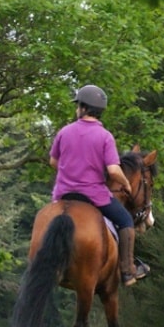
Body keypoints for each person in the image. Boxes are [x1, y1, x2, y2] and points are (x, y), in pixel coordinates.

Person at [49, 84, 149, 286]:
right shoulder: (105, 136)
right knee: (125, 220)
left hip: (63, 194)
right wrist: (126, 185)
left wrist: (69, 172)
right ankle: (128, 271)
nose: (77, 109)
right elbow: (113, 170)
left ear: (84, 108)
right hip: (93, 195)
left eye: (78, 106)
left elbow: (53, 162)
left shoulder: (64, 132)